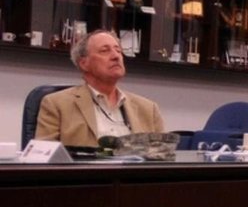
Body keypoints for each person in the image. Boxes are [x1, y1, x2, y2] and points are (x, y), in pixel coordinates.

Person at [36, 30, 165, 148]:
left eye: (118, 50)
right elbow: (43, 157)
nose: (116, 56)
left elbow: (163, 157)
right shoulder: (56, 104)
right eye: (105, 51)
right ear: (84, 63)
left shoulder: (148, 109)